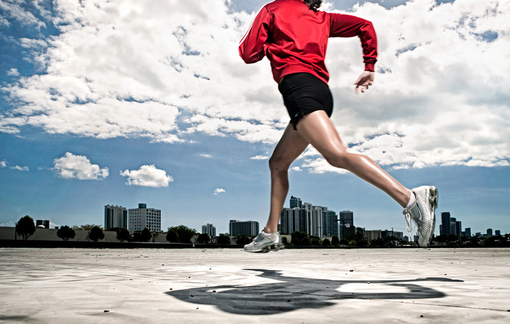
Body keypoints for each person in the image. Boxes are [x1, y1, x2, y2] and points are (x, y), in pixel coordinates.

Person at [239, 0, 437, 252]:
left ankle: (410, 198)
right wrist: (369, 65)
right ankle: (271, 232)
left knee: (336, 154)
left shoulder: (274, 9)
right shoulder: (323, 18)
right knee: (278, 163)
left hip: (298, 87)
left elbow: (248, 53)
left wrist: (272, 46)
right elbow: (365, 25)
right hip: (320, 91)